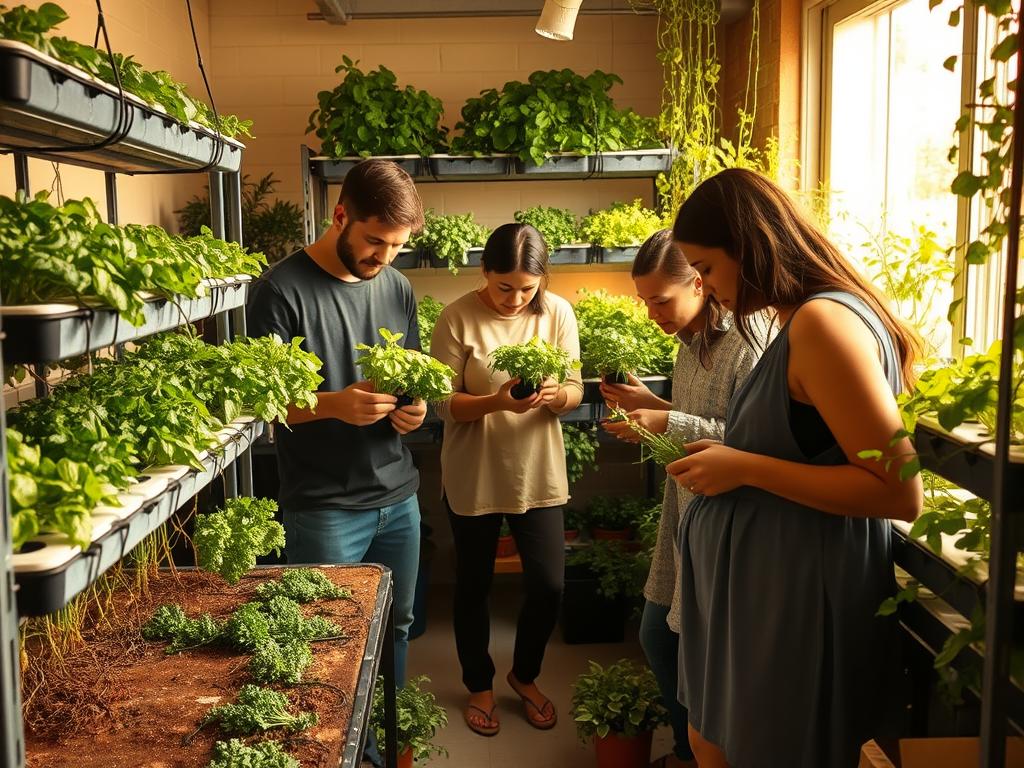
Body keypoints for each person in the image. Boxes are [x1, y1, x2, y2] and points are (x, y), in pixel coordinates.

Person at [664, 169, 923, 768]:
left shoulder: (823, 323)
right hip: (770, 597)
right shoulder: (800, 320)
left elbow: (899, 491)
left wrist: (745, 469)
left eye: (705, 267)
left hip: (796, 603)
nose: (704, 285)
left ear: (749, 246)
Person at [245, 158, 427, 696]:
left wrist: (414, 412)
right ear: (340, 214)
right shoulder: (279, 290)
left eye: (397, 246)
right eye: (376, 241)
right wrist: (332, 406)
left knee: (397, 625)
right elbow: (264, 402)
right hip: (324, 505)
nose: (385, 257)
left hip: (399, 498)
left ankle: (382, 744)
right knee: (325, 642)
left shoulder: (397, 287)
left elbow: (411, 382)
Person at [600, 229, 762, 768]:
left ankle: (698, 753)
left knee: (681, 647)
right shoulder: (690, 344)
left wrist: (669, 419)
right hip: (686, 512)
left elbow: (752, 443)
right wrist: (652, 406)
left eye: (661, 300)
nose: (652, 314)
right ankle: (691, 749)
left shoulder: (747, 340)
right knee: (658, 635)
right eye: (645, 301)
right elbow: (707, 423)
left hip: (726, 521)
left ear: (699, 281)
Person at [429, 223, 584, 737]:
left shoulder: (557, 312)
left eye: (527, 288)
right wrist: (497, 401)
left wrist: (555, 397)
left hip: (537, 472)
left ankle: (524, 674)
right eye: (504, 287)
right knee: (473, 587)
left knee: (548, 584)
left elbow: (576, 387)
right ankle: (479, 683)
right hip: (475, 473)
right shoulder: (456, 317)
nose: (516, 298)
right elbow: (442, 403)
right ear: (484, 273)